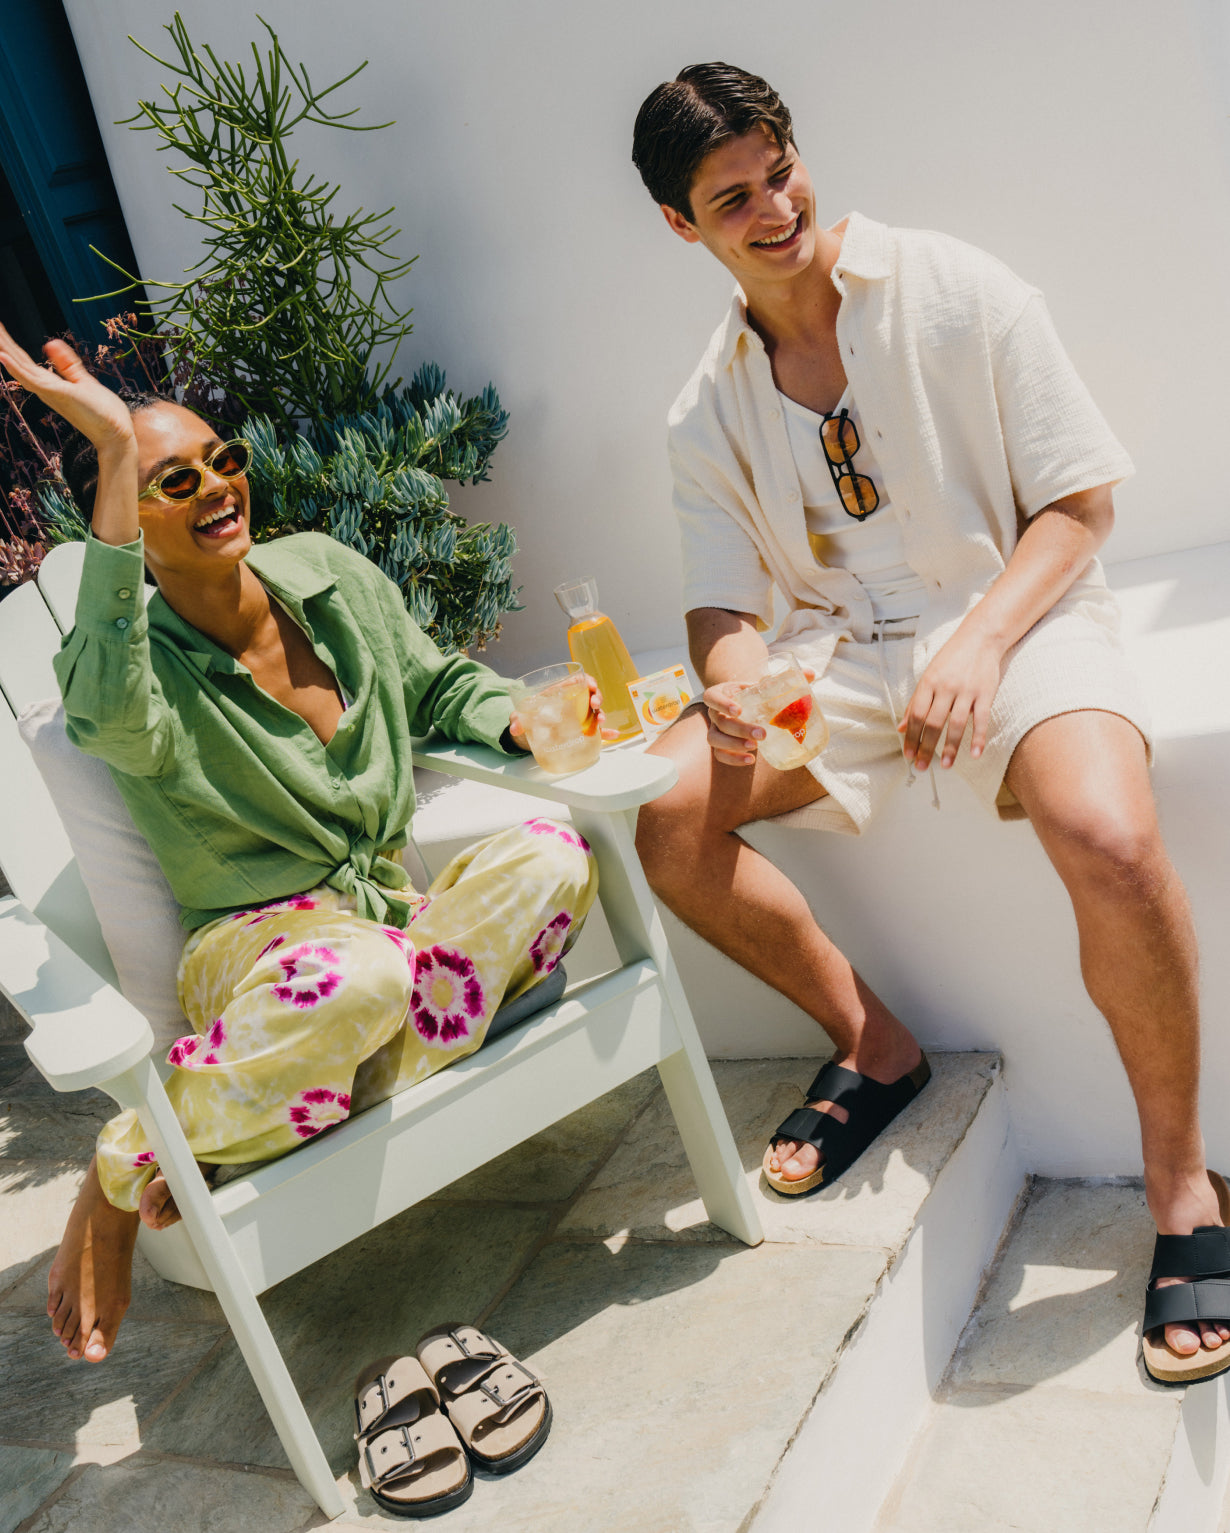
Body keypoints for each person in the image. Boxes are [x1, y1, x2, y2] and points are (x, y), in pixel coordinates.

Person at [629, 62, 1229, 1384]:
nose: (771, 208)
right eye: (731, 200)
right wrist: (731, 686)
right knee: (666, 817)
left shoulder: (956, 289)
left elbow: (1078, 510)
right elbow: (720, 607)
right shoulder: (703, 409)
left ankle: (1182, 1187)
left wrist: (979, 642)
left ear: (797, 155)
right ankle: (872, 1044)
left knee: (1106, 837)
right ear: (683, 227)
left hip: (1016, 611)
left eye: (777, 170)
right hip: (830, 657)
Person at [0, 323, 605, 1364]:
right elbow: (95, 712)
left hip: (386, 928)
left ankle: (261, 1113)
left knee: (552, 854)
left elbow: (435, 682)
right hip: (260, 955)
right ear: (129, 521)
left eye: (222, 461)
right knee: (359, 980)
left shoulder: (323, 570)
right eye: (172, 482)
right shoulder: (134, 677)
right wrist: (108, 449)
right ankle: (122, 1171)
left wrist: (516, 717)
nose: (216, 487)